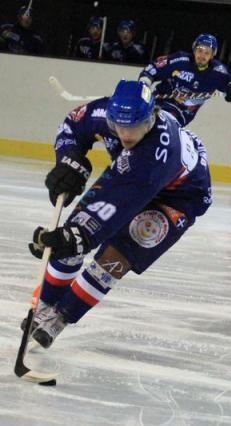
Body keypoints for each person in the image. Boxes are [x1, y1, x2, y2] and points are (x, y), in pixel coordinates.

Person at [23, 80, 212, 348]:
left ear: (151, 117)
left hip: (179, 198)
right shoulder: (105, 113)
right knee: (70, 236)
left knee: (115, 257)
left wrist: (81, 236)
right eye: (118, 126)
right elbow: (72, 125)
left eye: (134, 126)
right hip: (132, 175)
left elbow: (118, 205)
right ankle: (44, 305)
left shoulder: (157, 153)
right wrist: (68, 159)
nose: (124, 134)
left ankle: (62, 318)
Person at [138, 33, 231, 126]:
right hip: (157, 102)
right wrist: (144, 85)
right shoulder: (180, 60)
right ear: (194, 50)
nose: (202, 55)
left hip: (181, 114)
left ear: (212, 55)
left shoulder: (217, 72)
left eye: (207, 52)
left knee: (158, 125)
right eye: (200, 50)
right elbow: (153, 68)